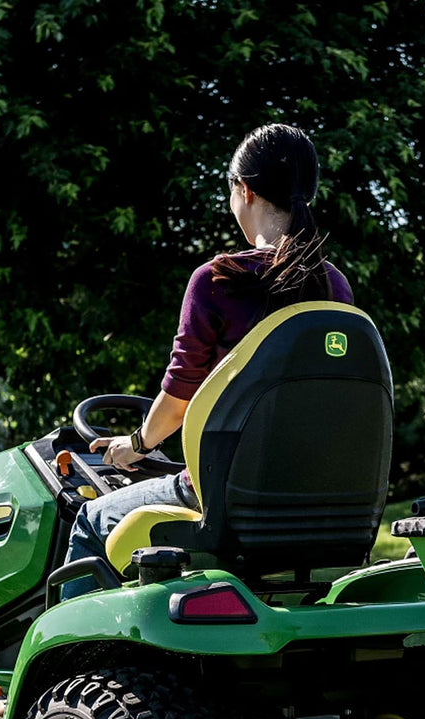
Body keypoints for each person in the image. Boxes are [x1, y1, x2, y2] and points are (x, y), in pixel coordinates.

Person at [62, 123, 353, 600]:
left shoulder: (219, 280)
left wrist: (135, 443)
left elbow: (178, 402)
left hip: (223, 496)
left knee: (90, 519)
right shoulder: (334, 288)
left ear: (245, 190)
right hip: (312, 495)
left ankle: (71, 664)